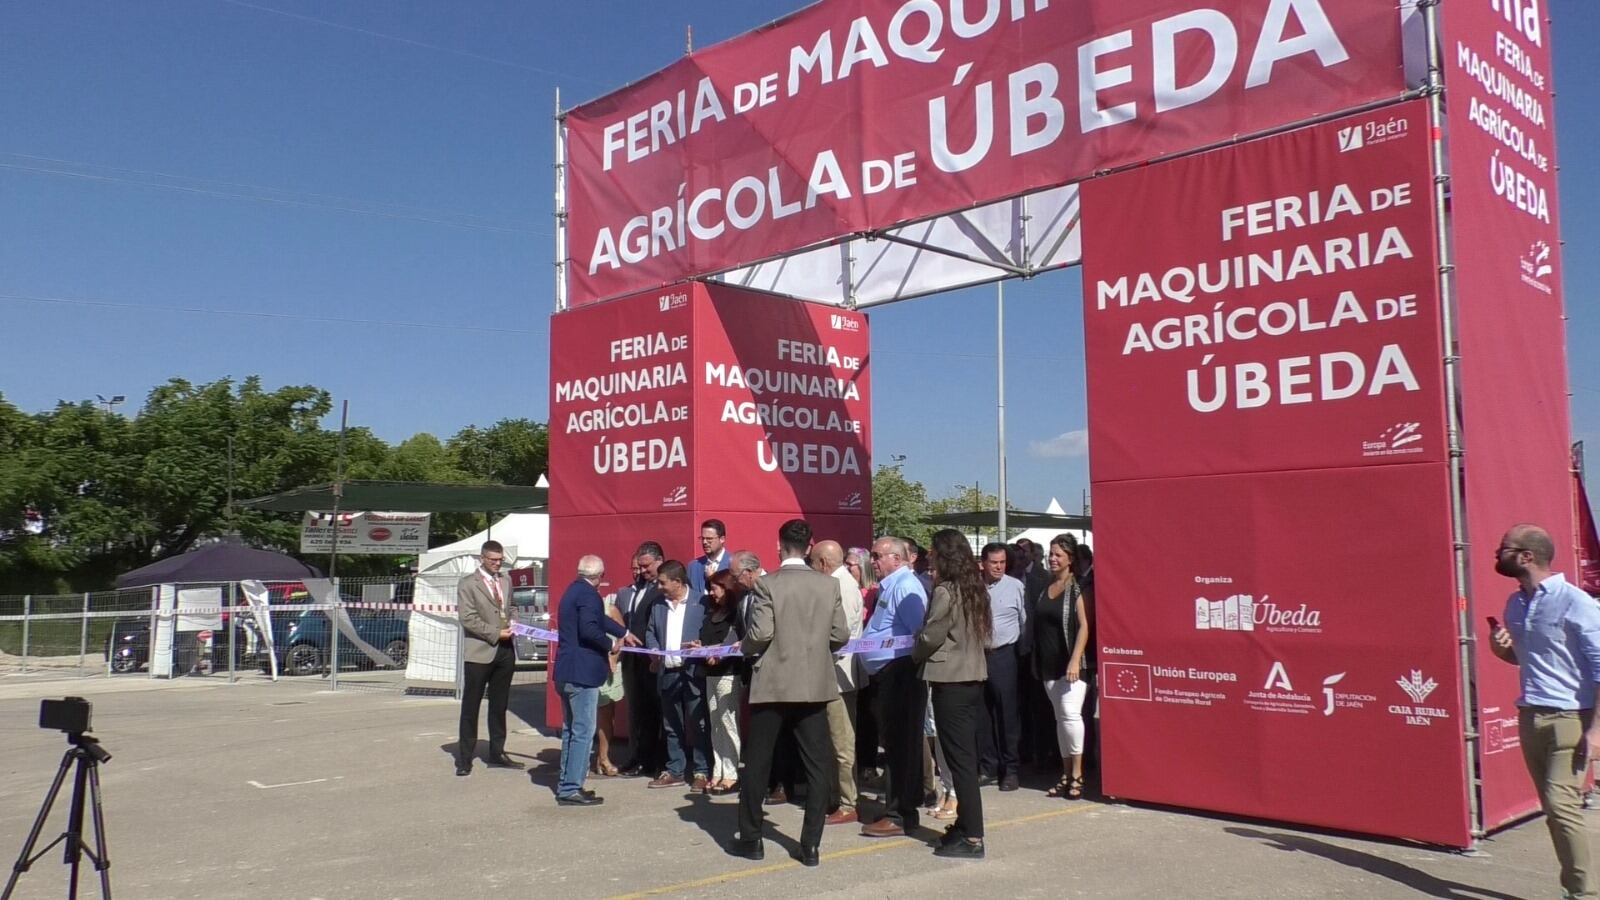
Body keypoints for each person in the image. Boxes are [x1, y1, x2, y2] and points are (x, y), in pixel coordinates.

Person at [1488, 524, 1600, 899]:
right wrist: (1499, 647)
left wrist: (1596, 731)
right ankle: (1573, 887)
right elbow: (1524, 660)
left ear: (1526, 556)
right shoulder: (1515, 604)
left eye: (1504, 548)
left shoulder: (1575, 601)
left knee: (1561, 806)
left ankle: (1583, 894)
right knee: (1553, 810)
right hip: (1530, 716)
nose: (1496, 554)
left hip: (1571, 718)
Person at [732, 519, 850, 867]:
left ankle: (752, 839)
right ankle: (810, 844)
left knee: (757, 762)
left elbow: (761, 633)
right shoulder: (828, 585)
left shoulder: (767, 584)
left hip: (773, 683)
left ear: (779, 545)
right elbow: (840, 633)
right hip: (813, 684)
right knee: (817, 766)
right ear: (810, 545)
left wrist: (746, 647)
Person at [915, 529, 992, 858]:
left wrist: (914, 648)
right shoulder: (974, 588)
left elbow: (933, 634)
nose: (930, 558)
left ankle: (973, 837)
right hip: (971, 677)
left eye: (933, 553)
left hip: (952, 681)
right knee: (963, 757)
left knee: (960, 761)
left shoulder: (946, 590)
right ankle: (964, 826)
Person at [553, 555, 639, 806]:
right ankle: (571, 788)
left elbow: (598, 620)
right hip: (583, 674)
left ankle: (567, 782)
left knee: (571, 729)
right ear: (600, 576)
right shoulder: (589, 595)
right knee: (583, 731)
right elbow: (590, 629)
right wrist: (612, 644)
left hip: (567, 670)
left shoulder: (573, 591)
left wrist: (623, 632)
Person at [860, 536, 930, 838]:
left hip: (901, 673)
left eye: (878, 556)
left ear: (897, 559)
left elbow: (918, 634)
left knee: (901, 746)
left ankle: (901, 812)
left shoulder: (905, 587)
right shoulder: (891, 586)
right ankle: (897, 805)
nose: (873, 562)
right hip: (888, 674)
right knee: (893, 745)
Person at [1030, 535, 1092, 800]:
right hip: (1047, 663)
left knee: (1070, 715)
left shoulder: (1076, 589)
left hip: (1072, 666)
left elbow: (1084, 626)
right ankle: (1065, 773)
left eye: (1058, 555)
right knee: (1060, 719)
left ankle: (1078, 773)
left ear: (1070, 559)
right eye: (1051, 554)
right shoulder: (1046, 587)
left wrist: (1075, 659)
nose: (1052, 559)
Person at [455, 540, 521, 776]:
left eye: (500, 560)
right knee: (471, 706)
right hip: (480, 651)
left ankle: (497, 751)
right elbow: (468, 618)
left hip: (505, 650)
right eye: (493, 560)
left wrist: (513, 621)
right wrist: (495, 633)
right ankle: (464, 758)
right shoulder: (467, 584)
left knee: (499, 704)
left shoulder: (506, 579)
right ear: (482, 558)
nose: (497, 564)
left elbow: (511, 605)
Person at [812, 540, 866, 825]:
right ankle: (837, 796)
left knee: (842, 742)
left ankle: (847, 802)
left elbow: (839, 632)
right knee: (835, 741)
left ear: (823, 563)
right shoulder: (839, 583)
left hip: (840, 675)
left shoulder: (841, 586)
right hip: (833, 673)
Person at [646, 560, 711, 791]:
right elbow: (651, 632)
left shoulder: (701, 602)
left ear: (678, 581)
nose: (659, 586)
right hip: (668, 673)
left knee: (698, 723)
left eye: (663, 582)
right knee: (672, 724)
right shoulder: (658, 605)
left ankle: (702, 772)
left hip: (693, 673)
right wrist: (653, 650)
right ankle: (675, 770)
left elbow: (709, 633)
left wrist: (702, 645)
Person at [978, 542, 1028, 791]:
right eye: (993, 562)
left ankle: (1011, 769)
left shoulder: (1015, 587)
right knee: (983, 714)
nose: (998, 567)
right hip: (978, 656)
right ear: (983, 563)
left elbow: (1024, 621)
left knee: (1007, 714)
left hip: (1004, 655)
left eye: (1002, 562)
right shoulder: (974, 587)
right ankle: (988, 766)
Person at [618, 542, 666, 777]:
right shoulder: (636, 589)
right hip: (633, 660)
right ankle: (638, 756)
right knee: (638, 711)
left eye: (647, 566)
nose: (642, 571)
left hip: (653, 658)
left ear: (660, 560)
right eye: (640, 566)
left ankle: (658, 761)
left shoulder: (664, 588)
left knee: (657, 712)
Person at [700, 569, 746, 794]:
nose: (711, 593)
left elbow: (735, 641)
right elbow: (707, 640)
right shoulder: (711, 613)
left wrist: (719, 652)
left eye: (715, 588)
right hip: (710, 674)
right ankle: (718, 770)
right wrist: (698, 648)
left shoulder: (735, 614)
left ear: (727, 589)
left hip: (728, 673)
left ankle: (732, 772)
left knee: (728, 722)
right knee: (715, 724)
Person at [592, 584, 631, 777]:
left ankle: (604, 757)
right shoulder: (581, 610)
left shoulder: (610, 609)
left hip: (608, 668)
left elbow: (622, 634)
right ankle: (583, 760)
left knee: (606, 716)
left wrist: (614, 658)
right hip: (588, 667)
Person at [689, 518, 732, 594]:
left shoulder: (733, 565)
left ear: (722, 539)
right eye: (702, 538)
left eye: (709, 539)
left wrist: (713, 578)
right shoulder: (693, 566)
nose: (704, 542)